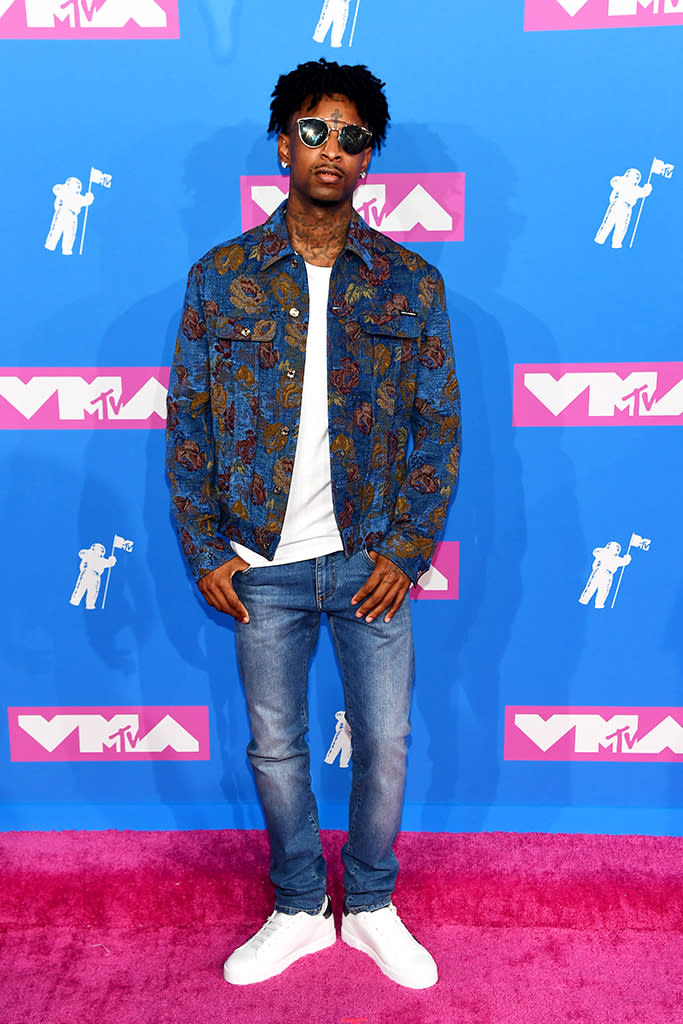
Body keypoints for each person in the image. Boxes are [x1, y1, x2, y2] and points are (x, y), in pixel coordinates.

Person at [166, 58, 460, 990]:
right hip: (260, 563)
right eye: (312, 129)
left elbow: (437, 428)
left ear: (371, 158)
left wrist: (407, 551)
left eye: (351, 136)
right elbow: (188, 422)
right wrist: (206, 547)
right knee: (276, 745)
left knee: (385, 743)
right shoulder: (221, 279)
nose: (330, 148)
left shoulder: (410, 283)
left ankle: (369, 903)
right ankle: (297, 905)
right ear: (281, 140)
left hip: (371, 560)